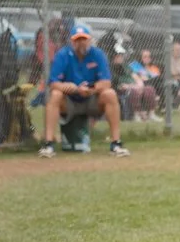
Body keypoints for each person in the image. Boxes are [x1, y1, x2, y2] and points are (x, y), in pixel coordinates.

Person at [38, 23, 129, 158]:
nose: (81, 43)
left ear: (90, 40)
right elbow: (53, 83)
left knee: (110, 94)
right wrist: (67, 87)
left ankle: (116, 144)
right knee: (56, 95)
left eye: (84, 39)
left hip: (91, 99)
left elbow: (106, 82)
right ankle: (48, 145)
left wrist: (91, 90)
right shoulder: (63, 54)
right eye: (77, 40)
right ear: (71, 41)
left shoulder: (98, 54)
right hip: (69, 100)